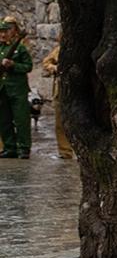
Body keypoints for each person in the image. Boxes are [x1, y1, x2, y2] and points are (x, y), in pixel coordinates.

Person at [0, 17, 33, 159]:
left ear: (11, 32)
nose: (2, 35)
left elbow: (28, 66)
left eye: (5, 31)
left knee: (21, 120)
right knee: (4, 120)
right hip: (2, 89)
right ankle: (9, 147)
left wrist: (13, 65)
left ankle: (24, 148)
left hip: (18, 89)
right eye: (0, 32)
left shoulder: (19, 48)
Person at [40, 45, 74, 159]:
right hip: (60, 90)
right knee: (60, 123)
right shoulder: (60, 49)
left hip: (80, 89)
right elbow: (46, 63)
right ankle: (65, 151)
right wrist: (54, 68)